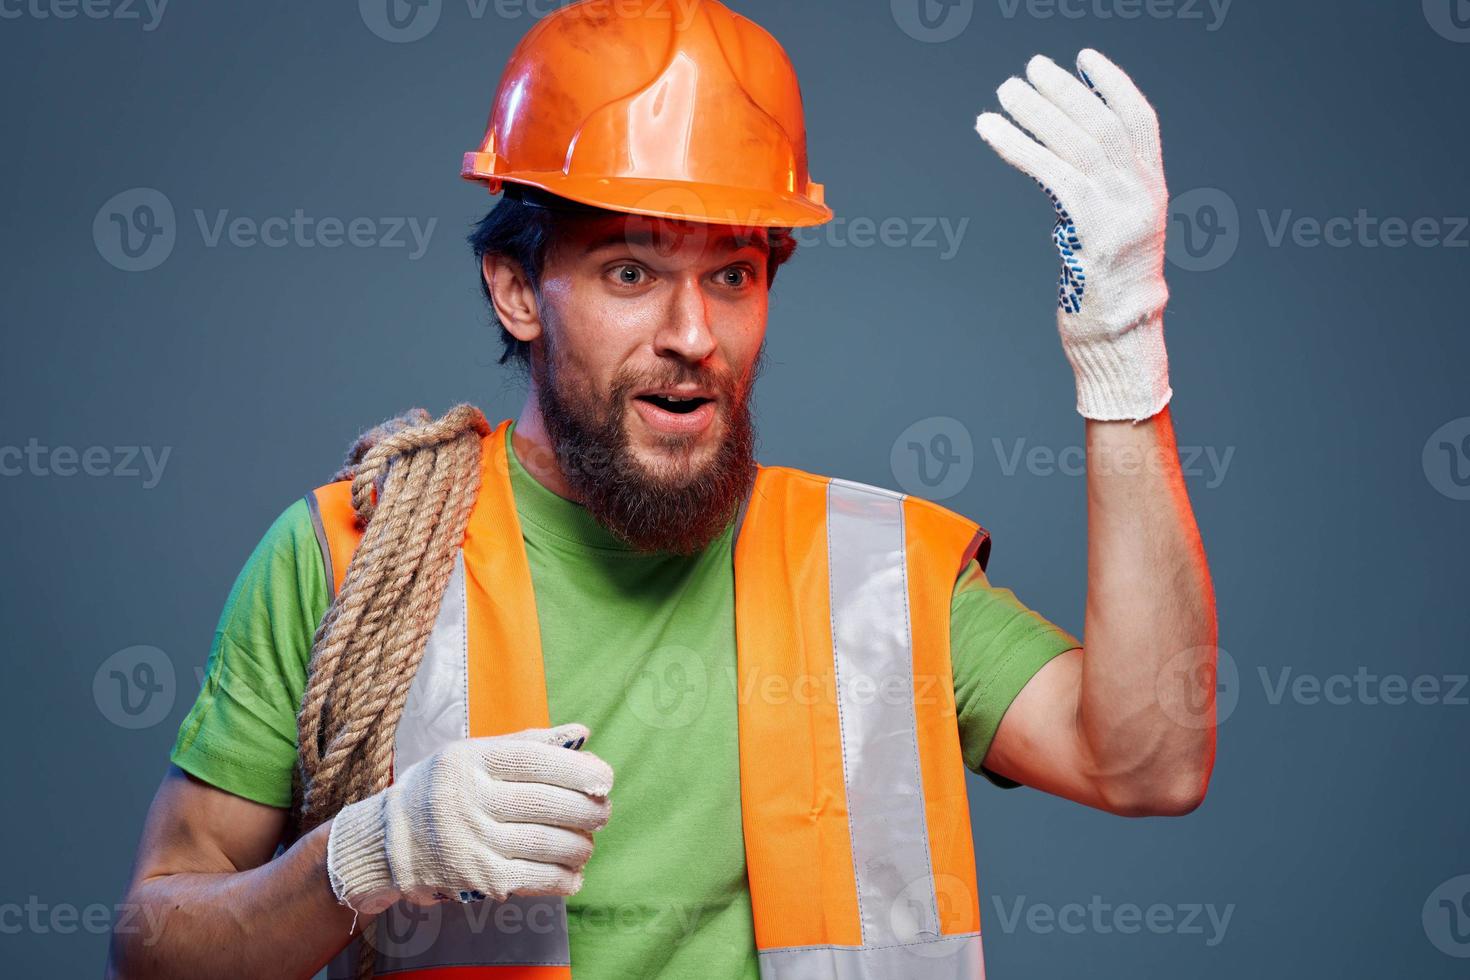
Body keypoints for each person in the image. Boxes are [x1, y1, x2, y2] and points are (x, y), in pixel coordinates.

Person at [108, 1, 1216, 977]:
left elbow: (1151, 761)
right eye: (630, 273)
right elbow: (159, 941)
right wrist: (367, 854)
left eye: (731, 275)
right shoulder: (350, 554)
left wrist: (1123, 347)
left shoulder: (878, 571)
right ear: (516, 288)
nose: (693, 336)